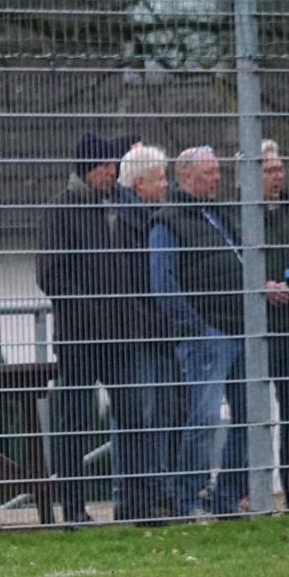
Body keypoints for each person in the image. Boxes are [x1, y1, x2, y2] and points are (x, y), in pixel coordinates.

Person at [37, 131, 132, 525]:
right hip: (79, 335)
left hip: (118, 333)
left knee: (128, 413)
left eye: (115, 164)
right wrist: (90, 307)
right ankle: (73, 508)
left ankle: (130, 499)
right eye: (106, 166)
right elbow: (49, 274)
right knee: (74, 421)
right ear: (88, 169)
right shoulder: (62, 210)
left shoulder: (118, 207)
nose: (113, 172)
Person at [149, 145, 249, 517]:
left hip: (242, 329)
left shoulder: (218, 214)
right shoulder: (168, 221)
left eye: (218, 171)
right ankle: (187, 498)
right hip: (209, 334)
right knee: (204, 418)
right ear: (185, 176)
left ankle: (226, 497)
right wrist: (196, 329)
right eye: (209, 172)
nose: (217, 178)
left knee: (248, 417)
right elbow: (164, 283)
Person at [110, 145, 180, 520]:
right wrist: (152, 322)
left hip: (154, 331)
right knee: (141, 416)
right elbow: (129, 284)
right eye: (160, 179)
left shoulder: (149, 218)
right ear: (140, 184)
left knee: (158, 415)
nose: (166, 185)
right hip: (138, 334)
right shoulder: (125, 222)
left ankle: (154, 491)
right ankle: (135, 496)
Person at [262, 139, 289, 508]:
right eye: (270, 169)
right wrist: (264, 285)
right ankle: (249, 492)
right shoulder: (240, 213)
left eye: (279, 168)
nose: (278, 175)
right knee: (253, 412)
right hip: (258, 330)